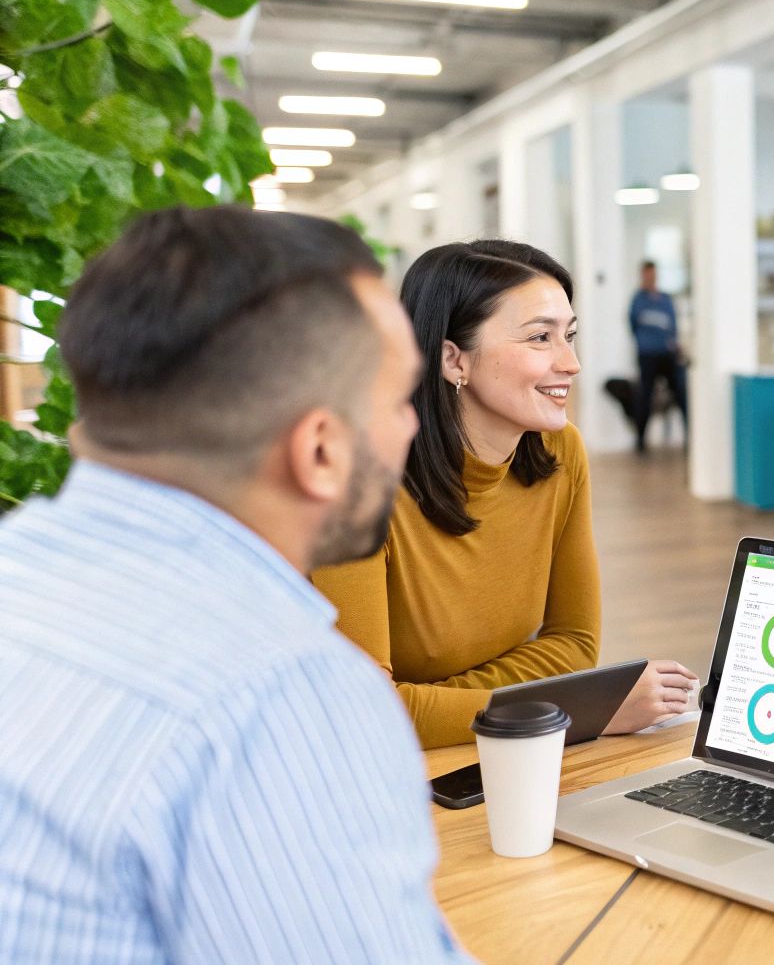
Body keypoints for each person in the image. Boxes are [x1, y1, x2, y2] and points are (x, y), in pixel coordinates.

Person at [0, 207, 468, 961]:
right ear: (319, 449)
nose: (413, 429)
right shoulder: (280, 695)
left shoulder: (17, 572)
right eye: (394, 401)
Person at [314, 241, 697, 749]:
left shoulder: (562, 453)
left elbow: (576, 646)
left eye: (570, 336)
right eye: (541, 338)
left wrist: (426, 705)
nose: (572, 363)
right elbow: (362, 712)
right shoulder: (360, 482)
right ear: (453, 359)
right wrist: (577, 707)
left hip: (488, 753)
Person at [628, 258, 688, 452]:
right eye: (647, 274)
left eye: (653, 274)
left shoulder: (666, 300)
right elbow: (633, 325)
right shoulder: (638, 300)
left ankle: (692, 437)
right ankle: (640, 440)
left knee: (681, 393)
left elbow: (673, 328)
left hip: (667, 355)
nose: (650, 278)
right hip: (647, 356)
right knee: (644, 397)